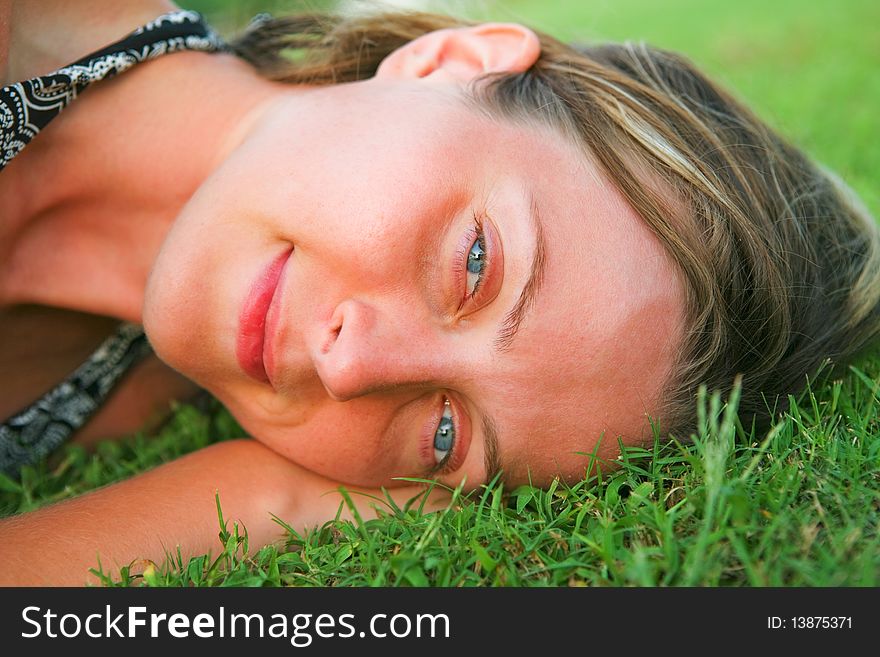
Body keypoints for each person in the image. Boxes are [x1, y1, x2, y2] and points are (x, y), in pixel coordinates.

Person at [0, 0, 878, 586]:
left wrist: (277, 491)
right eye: (474, 267)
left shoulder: (134, 399)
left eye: (446, 428)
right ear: (449, 61)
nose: (355, 368)